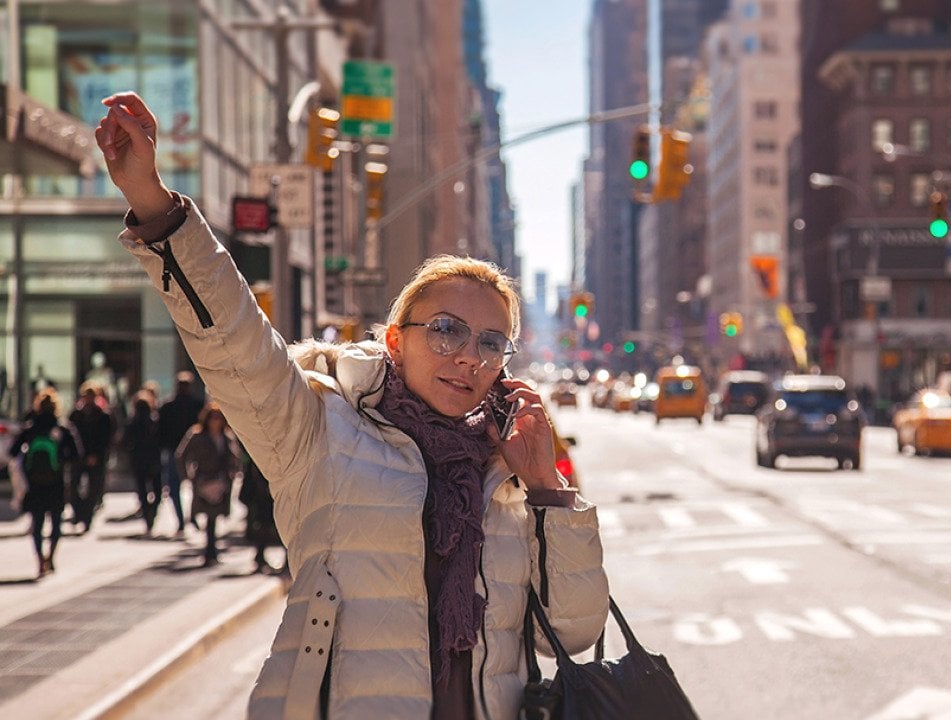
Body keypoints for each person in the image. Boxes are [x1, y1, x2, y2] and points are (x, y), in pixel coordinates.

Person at [97, 91, 608, 719]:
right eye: (446, 330)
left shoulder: (507, 474)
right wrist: (154, 203)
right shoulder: (319, 431)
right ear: (396, 340)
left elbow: (571, 633)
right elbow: (234, 339)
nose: (469, 356)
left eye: (491, 342)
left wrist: (547, 492)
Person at [8, 388, 81, 577]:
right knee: (56, 522)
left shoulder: (31, 428)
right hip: (56, 482)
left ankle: (39, 558)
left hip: (35, 483)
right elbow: (75, 455)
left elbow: (13, 452)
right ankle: (51, 557)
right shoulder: (63, 428)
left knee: (37, 522)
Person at [177, 403, 240, 566]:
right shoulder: (197, 435)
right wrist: (187, 477)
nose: (215, 422)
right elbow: (181, 456)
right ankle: (209, 550)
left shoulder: (227, 437)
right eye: (213, 418)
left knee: (214, 516)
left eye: (218, 418)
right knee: (207, 514)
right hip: (203, 481)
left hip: (221, 482)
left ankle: (211, 551)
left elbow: (235, 458)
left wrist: (233, 473)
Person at [157, 371, 203, 533]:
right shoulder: (195, 405)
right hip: (180, 451)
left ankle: (186, 518)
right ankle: (188, 517)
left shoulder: (169, 406)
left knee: (180, 487)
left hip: (181, 450)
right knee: (189, 485)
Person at [67, 381, 116, 532]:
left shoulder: (103, 416)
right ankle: (79, 512)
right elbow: (70, 436)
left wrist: (96, 455)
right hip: (78, 457)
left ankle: (87, 518)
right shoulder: (76, 414)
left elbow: (107, 438)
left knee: (93, 490)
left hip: (96, 458)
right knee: (72, 487)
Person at [121, 390, 163, 534]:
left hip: (139, 460)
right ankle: (151, 512)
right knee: (157, 491)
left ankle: (147, 515)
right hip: (153, 459)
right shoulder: (155, 420)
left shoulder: (132, 422)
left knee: (143, 491)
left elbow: (124, 442)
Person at [237, 445, 282, 574]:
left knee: (270, 524)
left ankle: (263, 556)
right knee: (265, 524)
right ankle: (260, 556)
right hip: (263, 492)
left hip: (269, 490)